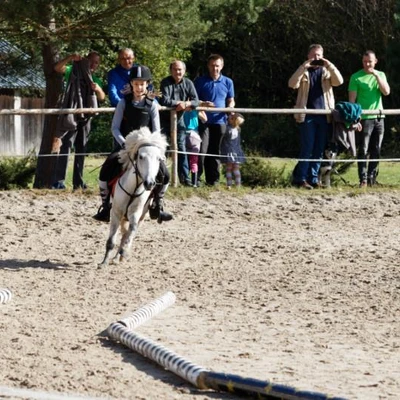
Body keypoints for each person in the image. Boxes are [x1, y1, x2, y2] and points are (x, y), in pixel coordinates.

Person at [93, 65, 173, 224]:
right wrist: (125, 144)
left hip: (147, 147)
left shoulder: (152, 104)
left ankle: (158, 204)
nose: (139, 87)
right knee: (106, 168)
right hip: (125, 147)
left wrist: (153, 148)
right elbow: (115, 128)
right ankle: (105, 205)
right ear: (131, 85)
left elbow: (156, 131)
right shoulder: (123, 103)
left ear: (147, 85)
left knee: (165, 173)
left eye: (142, 84)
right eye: (136, 84)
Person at [288, 44, 343, 189]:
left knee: (319, 149)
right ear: (308, 56)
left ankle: (313, 178)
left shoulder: (326, 71)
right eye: (313, 55)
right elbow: (292, 84)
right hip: (306, 115)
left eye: (319, 55)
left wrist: (329, 65)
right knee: (307, 147)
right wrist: (303, 67)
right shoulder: (304, 71)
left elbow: (339, 81)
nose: (316, 58)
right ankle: (300, 178)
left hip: (324, 116)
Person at [52, 51, 105, 190]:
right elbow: (57, 68)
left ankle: (78, 182)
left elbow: (102, 98)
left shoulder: (95, 79)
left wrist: (98, 89)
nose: (93, 65)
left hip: (86, 117)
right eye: (91, 61)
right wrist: (70, 57)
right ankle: (58, 182)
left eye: (96, 63)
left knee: (82, 147)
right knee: (66, 145)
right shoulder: (73, 70)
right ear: (86, 61)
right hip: (71, 114)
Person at [348, 50, 390, 187]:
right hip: (364, 118)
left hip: (379, 117)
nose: (367, 64)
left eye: (370, 61)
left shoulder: (381, 75)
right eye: (365, 61)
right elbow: (352, 101)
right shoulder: (355, 77)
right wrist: (355, 120)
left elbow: (386, 92)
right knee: (363, 149)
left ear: (375, 61)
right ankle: (363, 179)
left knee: (376, 149)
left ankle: (372, 178)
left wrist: (376, 75)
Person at [194, 54, 235, 186]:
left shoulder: (228, 82)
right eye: (212, 65)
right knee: (202, 150)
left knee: (215, 151)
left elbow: (231, 100)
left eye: (217, 65)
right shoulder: (200, 81)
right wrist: (202, 104)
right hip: (204, 120)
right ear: (208, 66)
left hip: (220, 121)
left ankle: (213, 180)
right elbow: (193, 99)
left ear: (221, 66)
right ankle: (197, 179)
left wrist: (230, 108)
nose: (215, 68)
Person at [159, 60, 200, 186]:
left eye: (180, 69)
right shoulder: (165, 82)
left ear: (184, 70)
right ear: (171, 70)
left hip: (180, 121)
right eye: (175, 69)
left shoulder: (188, 83)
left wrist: (186, 104)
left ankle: (184, 178)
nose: (178, 72)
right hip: (164, 121)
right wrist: (179, 103)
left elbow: (196, 101)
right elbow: (164, 100)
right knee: (162, 148)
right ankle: (160, 176)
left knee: (181, 148)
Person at [220, 112, 246, 188]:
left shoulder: (227, 129)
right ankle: (238, 185)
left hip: (229, 150)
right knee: (236, 169)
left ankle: (229, 184)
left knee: (229, 169)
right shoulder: (238, 129)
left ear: (232, 120)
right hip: (237, 151)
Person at [183, 109, 207, 187]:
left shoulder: (183, 109)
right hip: (194, 135)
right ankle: (194, 183)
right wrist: (202, 110)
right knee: (194, 161)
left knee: (184, 159)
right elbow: (205, 119)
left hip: (184, 134)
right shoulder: (196, 109)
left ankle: (185, 179)